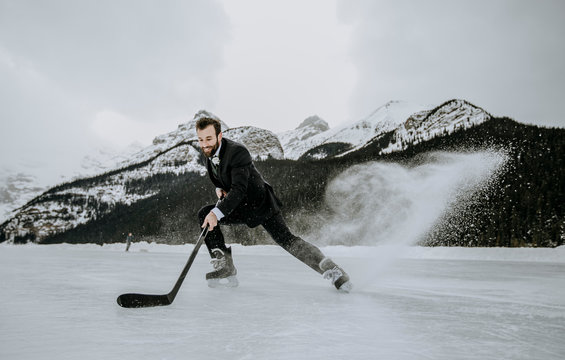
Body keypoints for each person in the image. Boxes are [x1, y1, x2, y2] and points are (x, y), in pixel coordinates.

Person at [196, 115, 352, 292]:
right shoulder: (208, 153)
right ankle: (225, 266)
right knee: (204, 214)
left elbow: (239, 189)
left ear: (219, 136)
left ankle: (332, 269)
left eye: (208, 138)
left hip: (261, 205)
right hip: (239, 207)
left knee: (287, 240)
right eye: (201, 139)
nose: (204, 144)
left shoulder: (238, 152)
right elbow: (223, 178)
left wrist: (217, 213)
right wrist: (219, 188)